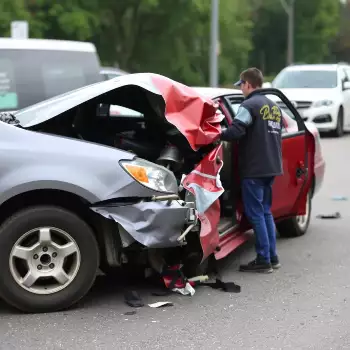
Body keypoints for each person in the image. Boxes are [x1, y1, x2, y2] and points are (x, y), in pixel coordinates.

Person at [219, 67, 283, 273]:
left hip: (254, 168)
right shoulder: (273, 107)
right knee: (265, 211)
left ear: (247, 84)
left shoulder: (249, 105)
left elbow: (236, 130)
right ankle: (272, 257)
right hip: (271, 167)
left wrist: (217, 135)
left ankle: (263, 259)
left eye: (242, 86)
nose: (241, 90)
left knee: (256, 213)